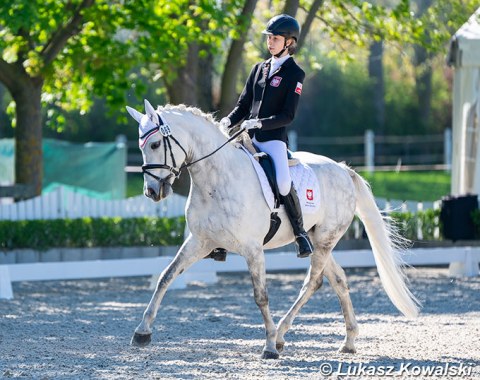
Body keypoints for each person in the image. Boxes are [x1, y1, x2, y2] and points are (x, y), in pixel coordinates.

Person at [220, 14, 314, 258]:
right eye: (269, 38)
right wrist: (228, 120)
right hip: (247, 138)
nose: (270, 42)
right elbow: (243, 105)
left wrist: (260, 123)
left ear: (289, 42)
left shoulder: (295, 73)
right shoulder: (258, 68)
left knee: (283, 183)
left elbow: (288, 115)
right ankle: (219, 238)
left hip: (272, 139)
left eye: (275, 38)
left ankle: (301, 233)